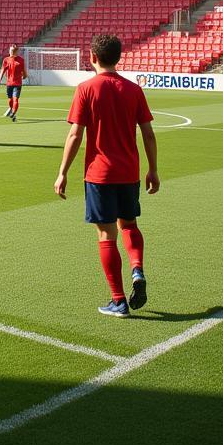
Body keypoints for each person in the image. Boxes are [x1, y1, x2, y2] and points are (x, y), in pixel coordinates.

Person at [54, 33, 159, 318]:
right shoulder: (134, 90)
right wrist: (153, 169)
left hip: (99, 173)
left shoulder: (86, 89)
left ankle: (118, 300)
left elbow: (76, 134)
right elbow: (148, 134)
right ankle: (137, 269)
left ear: (92, 57)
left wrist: (62, 172)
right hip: (129, 172)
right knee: (129, 225)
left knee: (105, 234)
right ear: (119, 57)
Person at [0, 43, 28, 121]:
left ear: (16, 51)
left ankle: (13, 113)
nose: (11, 52)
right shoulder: (6, 60)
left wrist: (24, 76)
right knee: (10, 100)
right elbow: (2, 70)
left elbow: (24, 72)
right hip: (9, 83)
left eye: (13, 50)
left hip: (17, 84)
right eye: (10, 50)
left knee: (15, 99)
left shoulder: (21, 60)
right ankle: (12, 109)